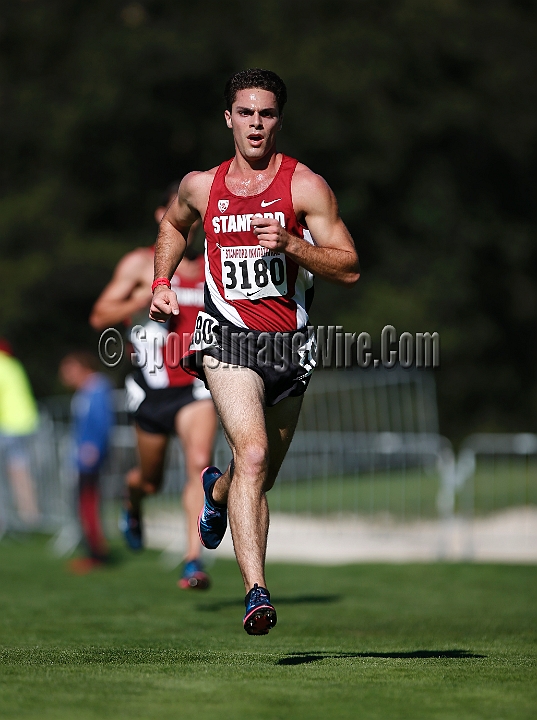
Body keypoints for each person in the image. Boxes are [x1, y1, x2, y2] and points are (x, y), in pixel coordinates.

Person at [150, 68, 360, 634]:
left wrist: (293, 244)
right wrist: (161, 283)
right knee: (256, 451)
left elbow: (349, 264)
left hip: (290, 344)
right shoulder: (202, 185)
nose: (256, 124)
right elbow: (174, 225)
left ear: (278, 120)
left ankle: (216, 493)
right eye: (246, 113)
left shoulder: (304, 186)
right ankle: (256, 592)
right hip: (225, 336)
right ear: (229, 119)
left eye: (266, 114)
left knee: (255, 476)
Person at [90, 184, 218, 590]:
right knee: (149, 481)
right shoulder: (140, 264)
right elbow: (98, 316)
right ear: (162, 215)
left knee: (199, 465)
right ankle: (133, 501)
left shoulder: (213, 268)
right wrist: (141, 298)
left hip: (196, 385)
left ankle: (192, 561)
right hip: (151, 389)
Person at [59, 351, 114, 574]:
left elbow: (101, 422)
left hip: (90, 456)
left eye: (68, 369)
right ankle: (93, 550)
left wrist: (94, 448)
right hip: (82, 456)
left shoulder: (97, 388)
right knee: (83, 502)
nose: (65, 375)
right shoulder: (84, 391)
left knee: (88, 502)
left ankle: (97, 553)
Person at [0, 339, 40, 528]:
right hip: (27, 423)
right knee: (22, 472)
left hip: (10, 426)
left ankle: (25, 518)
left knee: (16, 473)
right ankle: (30, 515)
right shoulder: (14, 365)